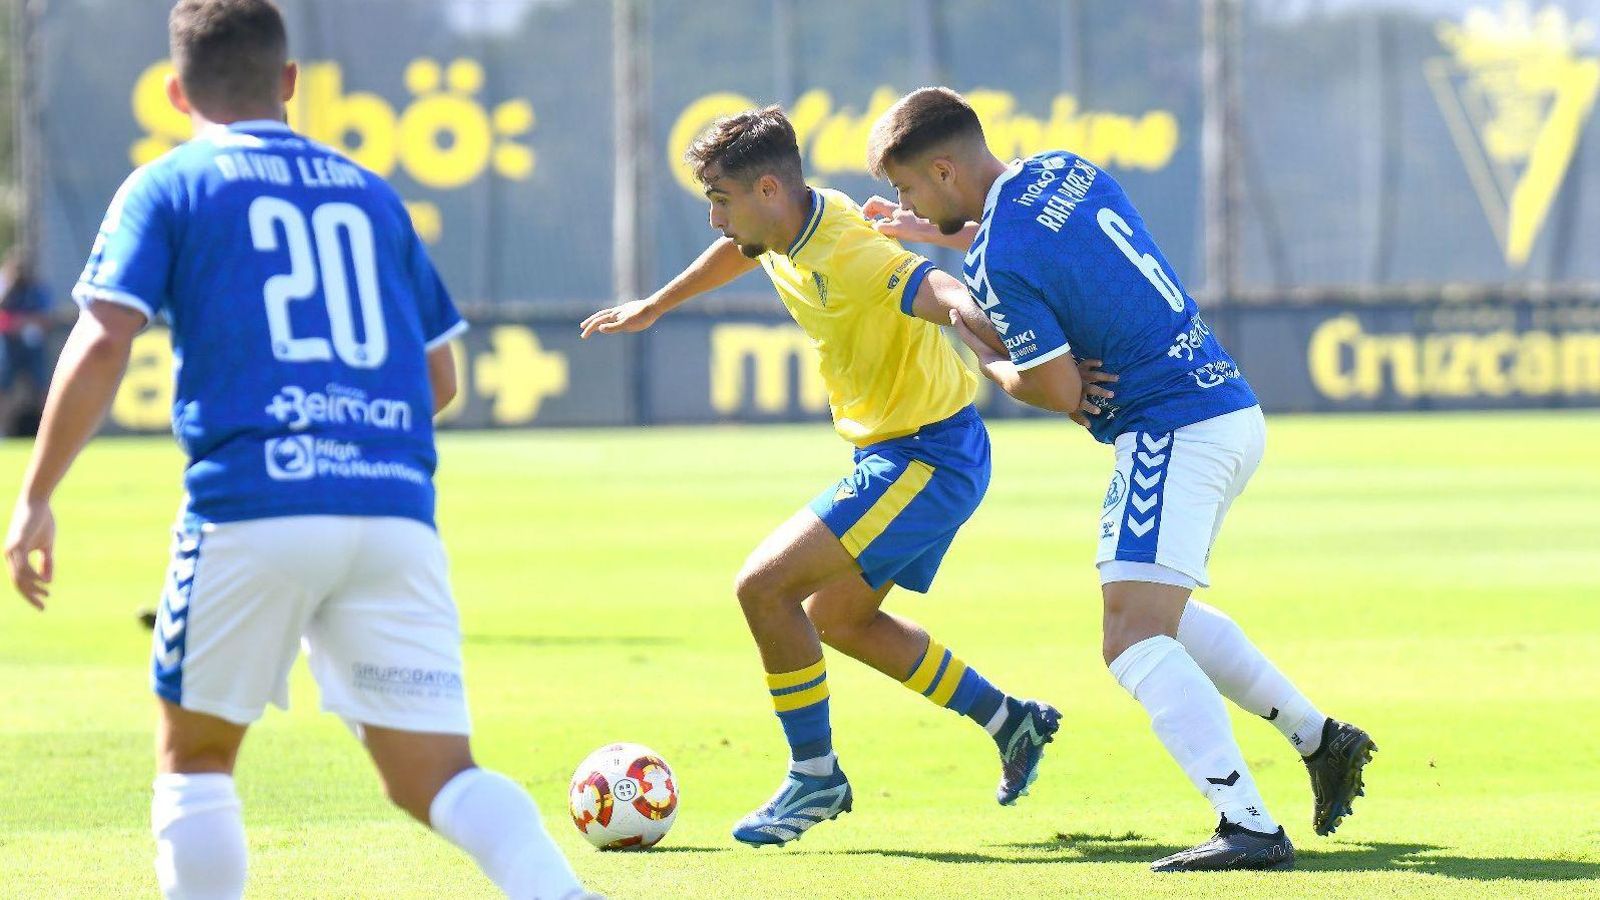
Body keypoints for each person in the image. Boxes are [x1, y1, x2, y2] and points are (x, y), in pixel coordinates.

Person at [2, 3, 593, 897]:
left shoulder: (169, 184)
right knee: (438, 778)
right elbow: (441, 381)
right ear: (289, 83)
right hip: (394, 515)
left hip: (253, 504)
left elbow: (102, 338)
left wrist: (35, 493)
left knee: (196, 759)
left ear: (174, 91)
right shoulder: (373, 193)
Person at [863, 87, 1376, 872]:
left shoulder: (997, 258)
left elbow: (1060, 390)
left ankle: (1248, 825)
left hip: (1170, 429)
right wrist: (952, 234)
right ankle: (1322, 741)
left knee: (1130, 638)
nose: (904, 203)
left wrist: (981, 349)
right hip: (1223, 406)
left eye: (906, 189)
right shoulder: (1060, 168)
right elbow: (1044, 244)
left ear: (941, 168)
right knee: (1156, 617)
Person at [582, 106, 1111, 847]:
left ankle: (815, 778)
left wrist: (1044, 367)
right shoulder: (786, 222)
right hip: (901, 452)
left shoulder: (845, 248)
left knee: (763, 588)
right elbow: (744, 250)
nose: (713, 220)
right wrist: (656, 305)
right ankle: (1010, 720)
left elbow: (945, 294)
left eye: (721, 201)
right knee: (838, 619)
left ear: (768, 189)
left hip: (927, 456)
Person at [0, 247, 55, 435]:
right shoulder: (4, 286)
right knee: (3, 390)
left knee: (42, 390)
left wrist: (25, 322)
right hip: (8, 345)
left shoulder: (37, 289)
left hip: (33, 347)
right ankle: (2, 433)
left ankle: (50, 433)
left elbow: (46, 319)